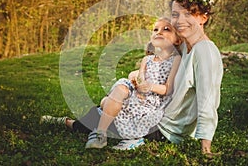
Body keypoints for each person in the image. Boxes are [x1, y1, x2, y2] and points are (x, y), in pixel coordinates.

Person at [42, 0, 223, 154]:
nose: (180, 20)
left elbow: (208, 101)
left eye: (188, 14)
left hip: (164, 128)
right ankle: (70, 122)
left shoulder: (205, 51)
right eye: (176, 15)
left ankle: (69, 124)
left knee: (104, 116)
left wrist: (205, 149)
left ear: (203, 17)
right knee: (110, 106)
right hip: (157, 112)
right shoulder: (185, 45)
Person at [41, 17, 182, 150]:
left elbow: (168, 89)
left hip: (150, 104)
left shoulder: (176, 60)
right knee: (120, 89)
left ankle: (68, 122)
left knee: (99, 112)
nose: (159, 32)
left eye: (166, 29)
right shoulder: (147, 59)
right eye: (155, 29)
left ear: (177, 40)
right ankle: (100, 134)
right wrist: (137, 82)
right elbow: (140, 78)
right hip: (136, 97)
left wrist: (150, 87)